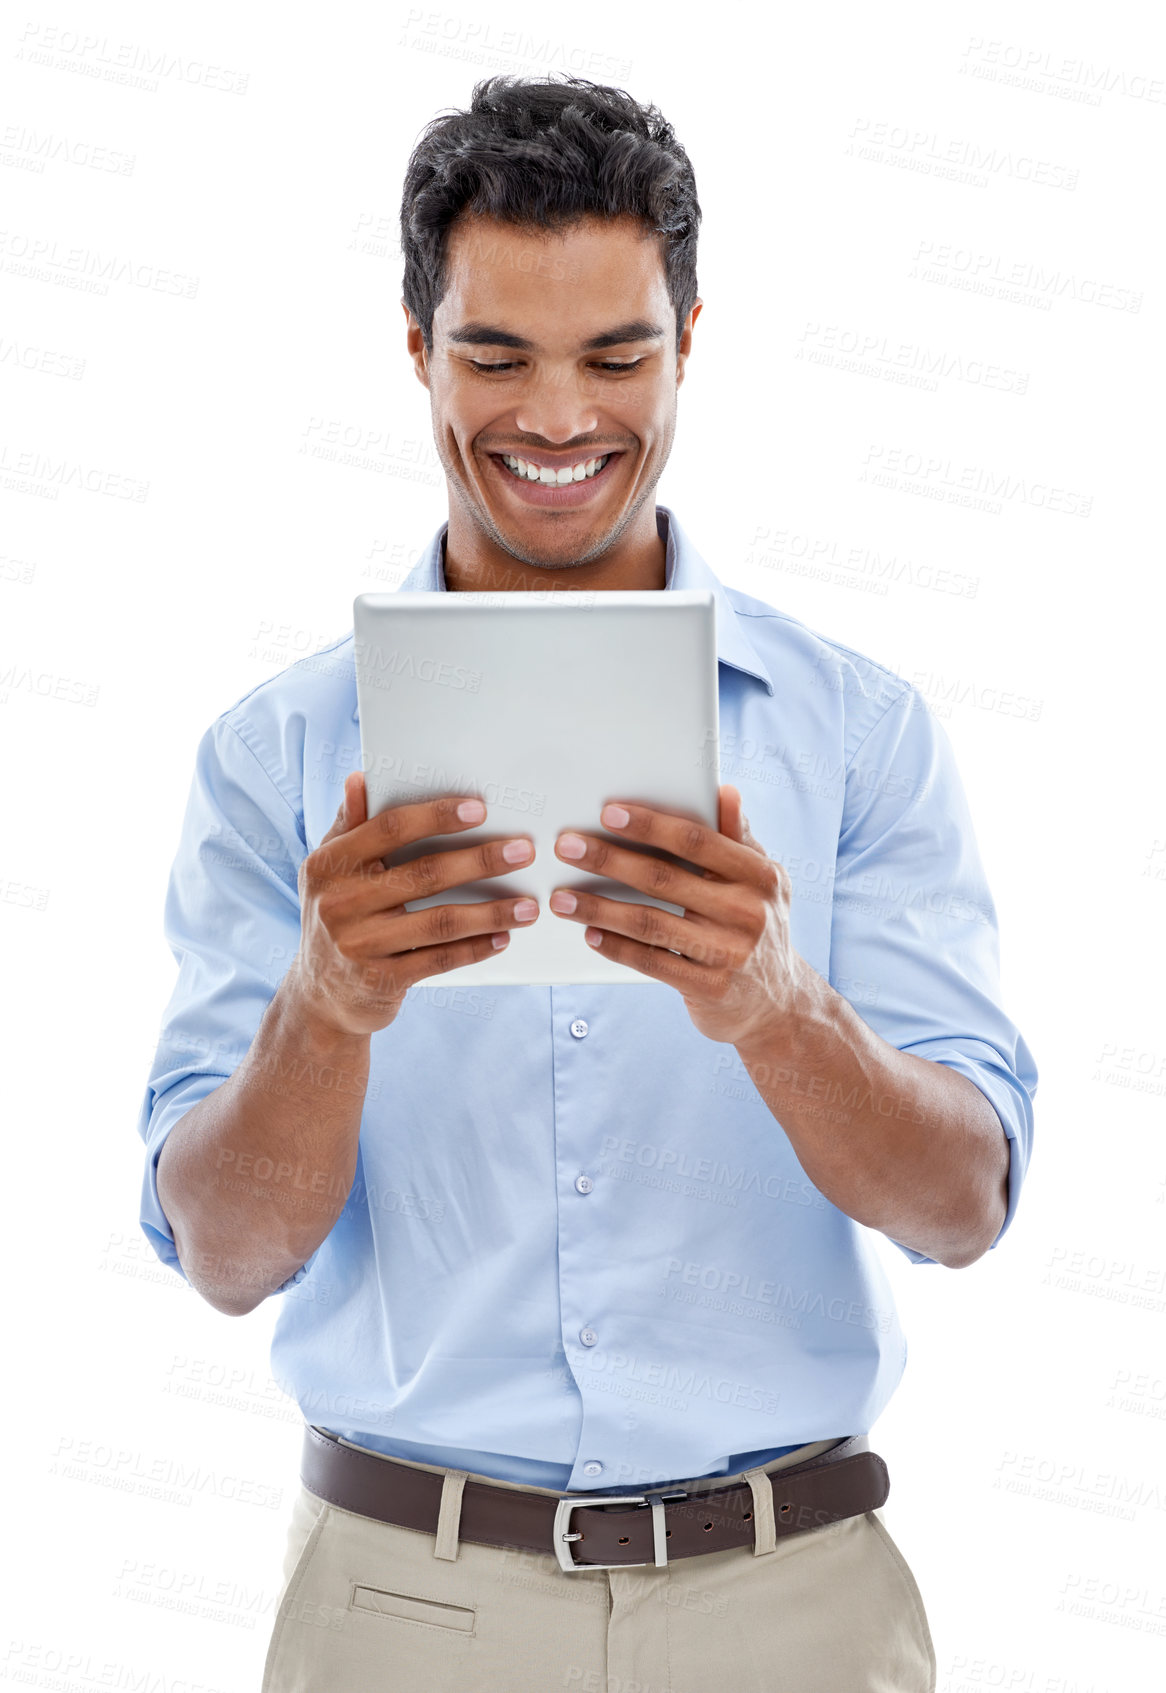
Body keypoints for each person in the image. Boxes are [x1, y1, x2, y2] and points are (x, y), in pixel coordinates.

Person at [136, 74, 1037, 1693]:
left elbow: (962, 1206)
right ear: (416, 347)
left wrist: (776, 1008)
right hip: (398, 1615)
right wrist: (327, 1009)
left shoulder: (862, 739)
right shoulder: (273, 760)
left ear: (692, 337)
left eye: (618, 355)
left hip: (797, 1620)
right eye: (496, 355)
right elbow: (220, 1252)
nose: (559, 418)